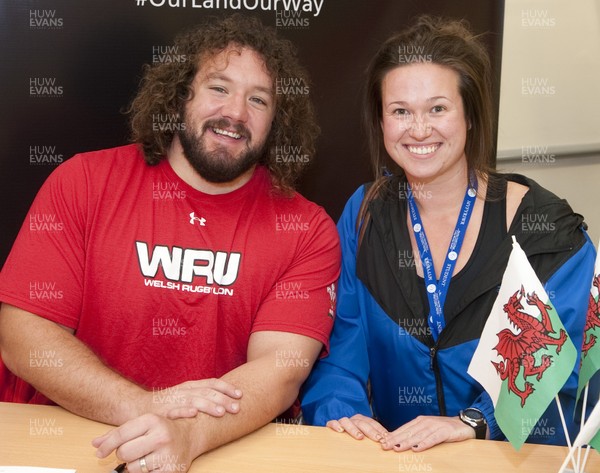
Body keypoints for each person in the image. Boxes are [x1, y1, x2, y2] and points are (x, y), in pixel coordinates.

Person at [0, 14, 340, 472]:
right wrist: (143, 407)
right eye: (218, 88)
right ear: (180, 95)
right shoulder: (83, 181)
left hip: (217, 449)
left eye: (258, 99)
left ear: (277, 121)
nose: (236, 113)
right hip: (73, 442)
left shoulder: (307, 229)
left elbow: (278, 373)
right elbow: (23, 336)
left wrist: (190, 432)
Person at [300, 15, 596, 452]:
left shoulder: (544, 227)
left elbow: (567, 358)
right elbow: (339, 351)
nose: (419, 130)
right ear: (381, 122)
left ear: (471, 115)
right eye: (400, 111)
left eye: (438, 108)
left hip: (518, 457)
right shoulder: (365, 215)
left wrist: (475, 420)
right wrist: (343, 415)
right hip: (401, 457)